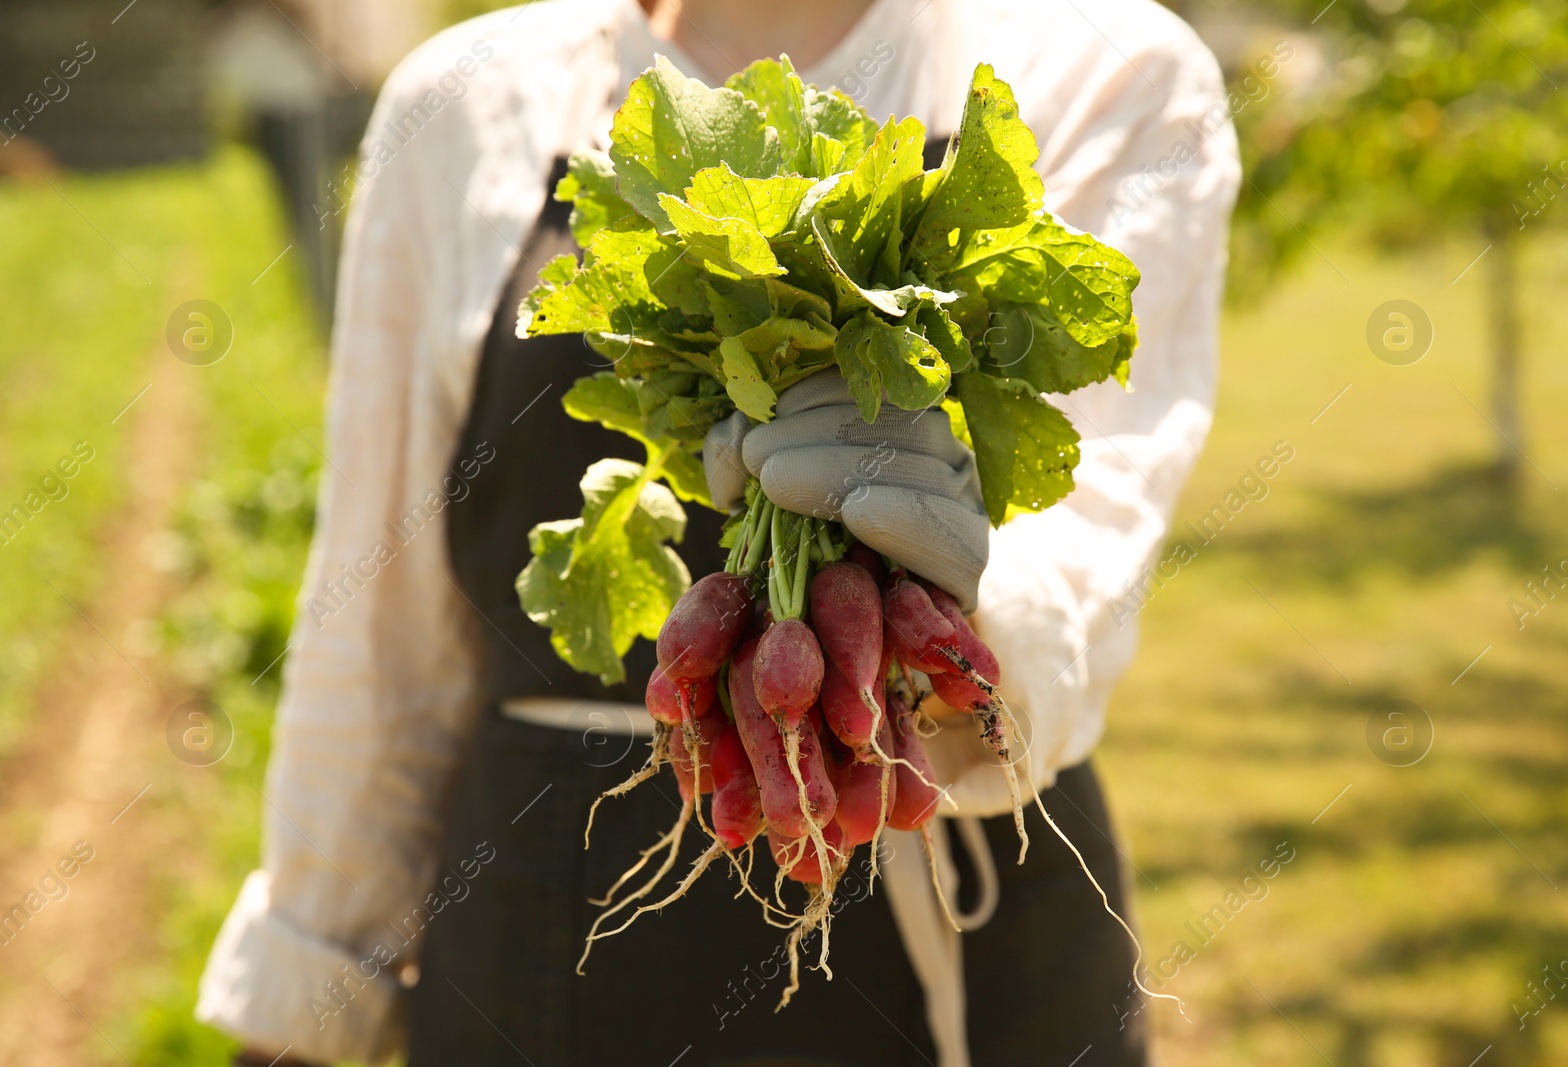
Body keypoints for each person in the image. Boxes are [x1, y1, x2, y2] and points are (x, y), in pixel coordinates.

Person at [198, 1, 1239, 1064]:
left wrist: (953, 589)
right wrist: (303, 996)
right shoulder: (465, 98)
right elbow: (380, 634)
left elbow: (1090, 522)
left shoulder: (1103, 64)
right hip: (542, 928)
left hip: (954, 890)